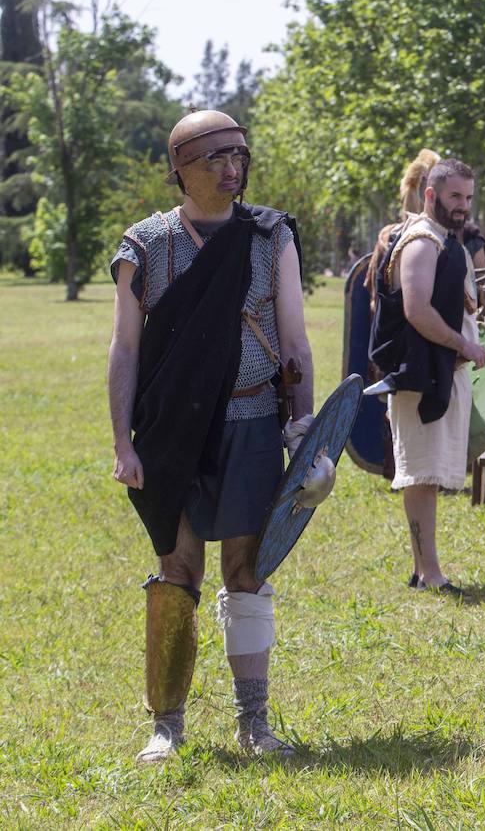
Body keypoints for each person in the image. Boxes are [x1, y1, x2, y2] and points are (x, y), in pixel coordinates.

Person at [108, 110, 315, 762]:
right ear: (180, 170)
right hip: (171, 434)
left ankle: (253, 723)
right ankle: (166, 726)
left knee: (246, 569)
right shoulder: (143, 245)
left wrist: (302, 426)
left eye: (239, 156)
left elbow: (294, 340)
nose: (231, 170)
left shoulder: (270, 235)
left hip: (253, 423)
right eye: (214, 159)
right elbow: (124, 350)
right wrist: (123, 443)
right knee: (177, 569)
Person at [368, 158, 485, 596]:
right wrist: (465, 346)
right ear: (430, 195)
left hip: (435, 373)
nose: (463, 206)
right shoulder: (422, 241)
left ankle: (425, 569)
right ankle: (430, 572)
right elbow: (417, 311)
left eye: (469, 198)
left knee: (424, 475)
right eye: (455, 196)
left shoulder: (442, 239)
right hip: (419, 377)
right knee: (419, 474)